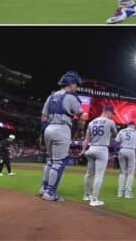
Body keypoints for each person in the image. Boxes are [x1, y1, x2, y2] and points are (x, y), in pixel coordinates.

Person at [37, 71, 84, 201]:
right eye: (76, 84)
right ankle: (50, 192)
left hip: (48, 129)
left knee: (50, 161)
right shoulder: (71, 97)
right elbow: (81, 116)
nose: (76, 87)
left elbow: (43, 117)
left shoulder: (51, 96)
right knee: (58, 163)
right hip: (62, 128)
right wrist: (80, 130)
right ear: (71, 84)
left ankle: (43, 188)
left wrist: (42, 133)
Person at [80, 105, 118, 206]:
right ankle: (94, 199)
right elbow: (115, 135)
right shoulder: (110, 122)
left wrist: (83, 150)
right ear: (108, 112)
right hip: (102, 149)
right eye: (112, 113)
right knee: (99, 175)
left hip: (91, 148)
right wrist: (109, 134)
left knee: (89, 174)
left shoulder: (92, 122)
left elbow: (86, 139)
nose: (112, 115)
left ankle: (86, 195)